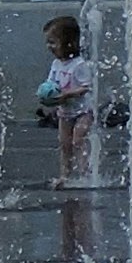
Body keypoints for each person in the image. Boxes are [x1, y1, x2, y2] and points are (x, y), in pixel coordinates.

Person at [33, 14, 96, 184]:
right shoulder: (56, 64)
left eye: (53, 42)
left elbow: (86, 87)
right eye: (48, 42)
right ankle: (64, 176)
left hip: (83, 111)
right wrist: (46, 96)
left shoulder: (79, 65)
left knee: (78, 140)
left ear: (69, 43)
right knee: (65, 144)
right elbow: (51, 84)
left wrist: (67, 95)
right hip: (65, 111)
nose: (49, 46)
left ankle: (85, 175)